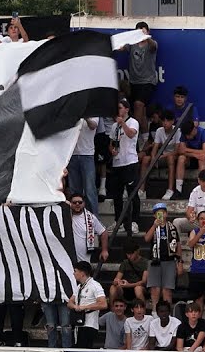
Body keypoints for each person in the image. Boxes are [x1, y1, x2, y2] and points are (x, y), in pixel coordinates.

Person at [109, 99, 140, 234]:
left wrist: (122, 123)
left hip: (130, 162)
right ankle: (118, 221)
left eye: (120, 108)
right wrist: (112, 150)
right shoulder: (114, 126)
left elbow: (131, 134)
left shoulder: (133, 122)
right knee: (117, 194)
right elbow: (111, 142)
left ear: (127, 109)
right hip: (117, 162)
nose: (119, 110)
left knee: (132, 193)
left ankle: (134, 222)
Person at [123, 21, 158, 130]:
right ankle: (145, 136)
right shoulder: (132, 44)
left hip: (147, 82)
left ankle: (134, 133)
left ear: (148, 32)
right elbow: (121, 48)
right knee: (141, 111)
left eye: (143, 31)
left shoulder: (152, 44)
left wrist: (146, 36)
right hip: (133, 82)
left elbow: (153, 46)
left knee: (138, 104)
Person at [143, 203, 179, 309]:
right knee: (155, 288)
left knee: (167, 289)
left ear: (166, 214)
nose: (161, 215)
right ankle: (155, 310)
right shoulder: (152, 226)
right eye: (158, 213)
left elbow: (177, 244)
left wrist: (180, 261)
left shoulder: (172, 227)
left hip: (169, 260)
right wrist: (154, 226)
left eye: (163, 212)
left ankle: (167, 311)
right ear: (154, 215)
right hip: (155, 260)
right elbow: (147, 239)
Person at [67, 260, 106, 349]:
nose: (73, 273)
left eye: (75, 271)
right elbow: (70, 302)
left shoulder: (95, 285)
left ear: (82, 273)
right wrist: (75, 306)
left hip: (90, 324)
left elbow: (103, 304)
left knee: (85, 349)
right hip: (79, 323)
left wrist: (85, 307)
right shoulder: (79, 286)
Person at [170, 121, 205, 199]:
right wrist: (194, 155)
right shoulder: (184, 134)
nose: (187, 137)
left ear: (193, 129)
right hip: (190, 158)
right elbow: (181, 150)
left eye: (189, 134)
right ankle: (178, 190)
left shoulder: (203, 132)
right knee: (181, 158)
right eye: (186, 135)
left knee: (202, 158)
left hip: (202, 158)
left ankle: (202, 190)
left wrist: (187, 149)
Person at [174, 169, 205, 237]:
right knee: (177, 222)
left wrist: (200, 218)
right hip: (198, 221)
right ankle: (176, 243)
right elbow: (189, 211)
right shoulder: (195, 191)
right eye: (203, 181)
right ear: (199, 180)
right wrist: (191, 217)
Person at [68, 118, 100, 213]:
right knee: (74, 190)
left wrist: (85, 116)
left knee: (89, 190)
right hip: (72, 154)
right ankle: (76, 217)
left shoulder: (92, 112)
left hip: (87, 154)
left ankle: (94, 218)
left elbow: (93, 126)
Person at [68, 192, 108, 266]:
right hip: (67, 257)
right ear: (70, 203)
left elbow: (103, 232)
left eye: (80, 202)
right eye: (74, 202)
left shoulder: (91, 217)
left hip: (84, 260)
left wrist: (104, 250)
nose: (77, 204)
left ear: (84, 203)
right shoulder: (64, 215)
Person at [107, 240, 147, 305]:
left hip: (139, 287)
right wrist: (117, 282)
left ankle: (142, 309)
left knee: (138, 289)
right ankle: (112, 309)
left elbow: (143, 281)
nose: (129, 256)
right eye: (127, 254)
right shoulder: (125, 263)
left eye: (131, 254)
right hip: (126, 288)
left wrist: (129, 285)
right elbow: (117, 278)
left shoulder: (145, 262)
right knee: (113, 288)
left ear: (137, 251)